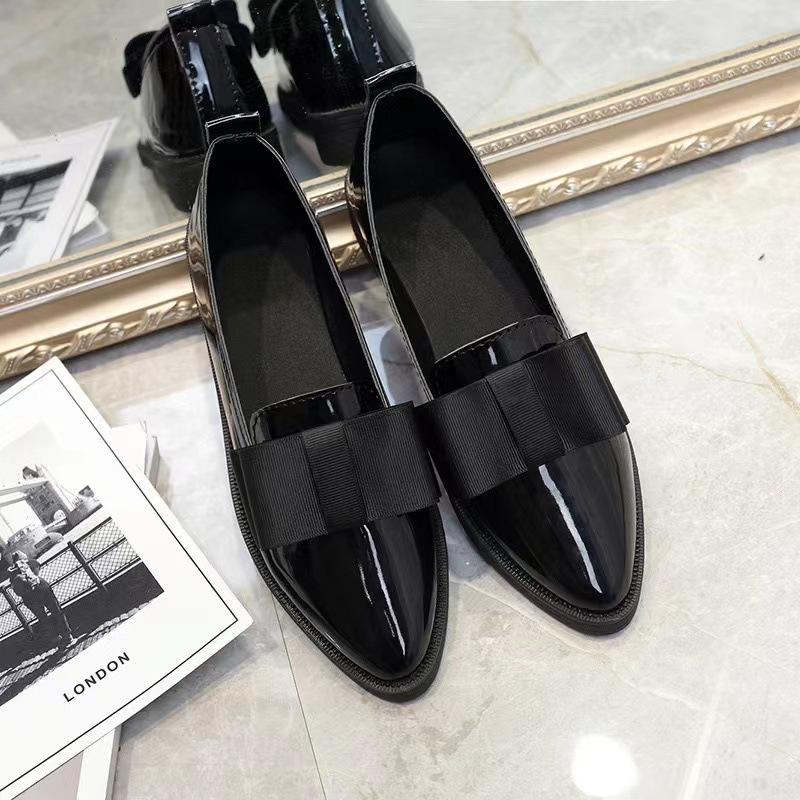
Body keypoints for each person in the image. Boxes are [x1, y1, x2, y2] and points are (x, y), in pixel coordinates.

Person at [9, 550, 74, 650]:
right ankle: (67, 636)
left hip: (29, 598)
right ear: (23, 556)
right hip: (42, 588)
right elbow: (37, 569)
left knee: (43, 618)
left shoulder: (12, 573)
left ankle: (56, 638)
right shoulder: (30, 563)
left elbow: (15, 587)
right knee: (56, 611)